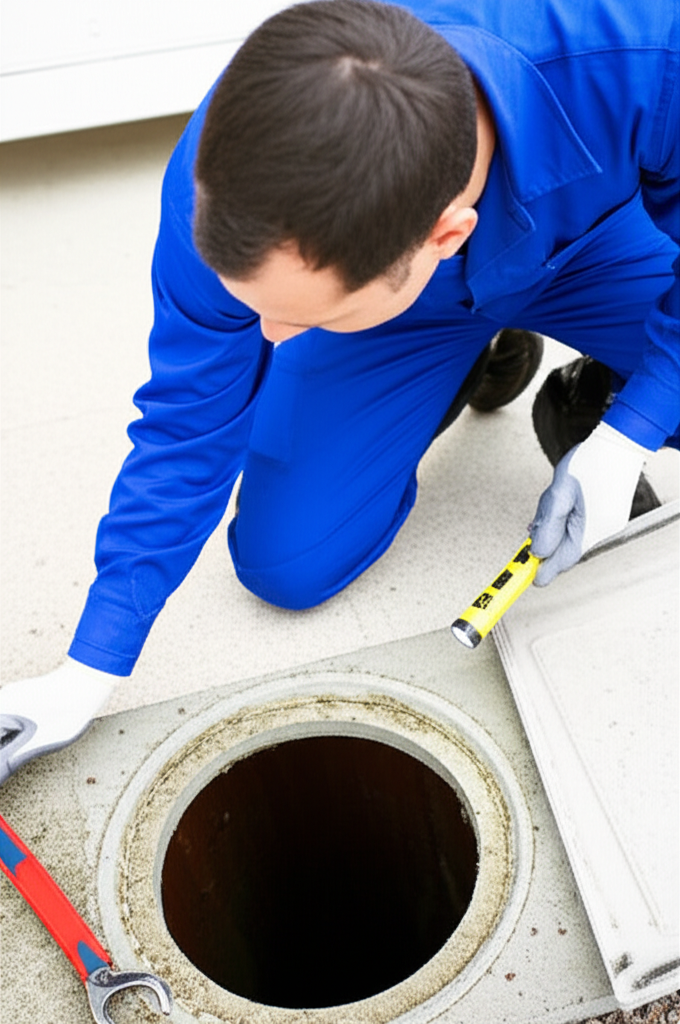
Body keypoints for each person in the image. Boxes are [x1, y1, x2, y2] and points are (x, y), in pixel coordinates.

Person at [2, 0, 678, 781]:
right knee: (286, 560)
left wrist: (630, 428)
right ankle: (462, 360)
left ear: (446, 238)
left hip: (587, 244)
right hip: (403, 309)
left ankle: (595, 386)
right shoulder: (221, 187)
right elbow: (190, 422)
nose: (273, 340)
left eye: (297, 317)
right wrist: (89, 668)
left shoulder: (638, 50)